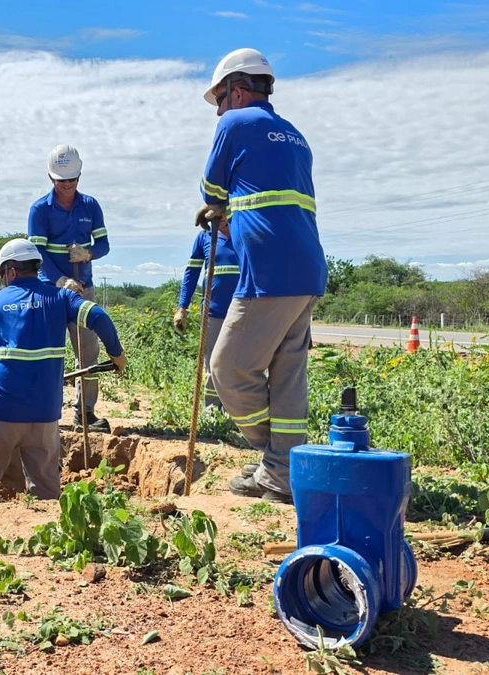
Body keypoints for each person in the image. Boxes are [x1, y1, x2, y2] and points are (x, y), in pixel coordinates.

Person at [197, 48, 327, 504]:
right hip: (307, 269)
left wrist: (217, 206)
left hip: (269, 272)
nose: (217, 110)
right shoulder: (296, 136)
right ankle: (283, 471)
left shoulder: (235, 124)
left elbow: (211, 188)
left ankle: (277, 461)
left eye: (219, 99)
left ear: (236, 89)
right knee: (288, 373)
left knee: (227, 368)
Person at [0, 238, 127, 502]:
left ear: (10, 271)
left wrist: (6, 382)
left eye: (2, 273)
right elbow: (99, 317)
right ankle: (47, 540)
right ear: (36, 267)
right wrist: (116, 354)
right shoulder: (61, 297)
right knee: (46, 487)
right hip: (45, 414)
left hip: (0, 412)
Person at [28, 144, 113, 432]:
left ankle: (85, 414)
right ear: (51, 178)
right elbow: (36, 253)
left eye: (72, 179)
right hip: (50, 292)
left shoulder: (90, 206)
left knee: (87, 354)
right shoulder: (40, 210)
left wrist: (88, 254)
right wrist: (60, 280)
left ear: (79, 175)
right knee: (45, 352)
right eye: (62, 180)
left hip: (82, 291)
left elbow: (104, 244)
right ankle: (41, 413)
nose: (67, 185)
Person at [174, 229, 239, 409]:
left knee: (242, 364)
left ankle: (238, 411)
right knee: (214, 364)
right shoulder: (205, 237)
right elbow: (192, 272)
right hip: (214, 312)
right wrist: (182, 307)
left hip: (244, 311)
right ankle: (213, 411)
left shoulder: (244, 229)